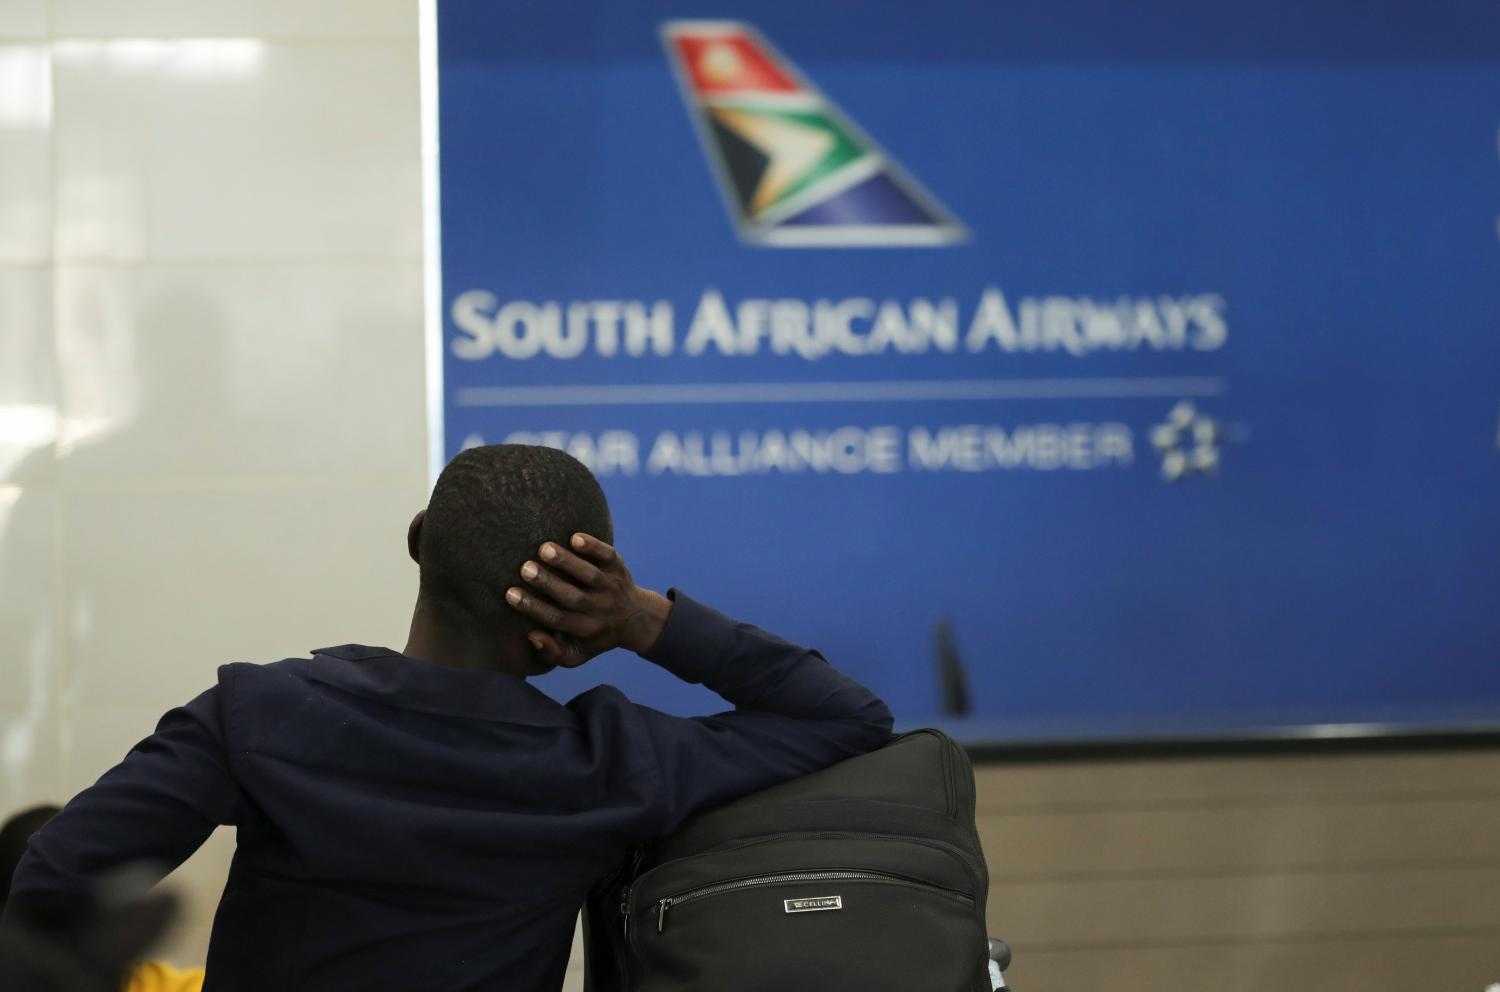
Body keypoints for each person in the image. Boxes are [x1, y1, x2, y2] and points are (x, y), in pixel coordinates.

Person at [3, 444, 893, 991]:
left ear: (418, 541)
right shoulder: (615, 765)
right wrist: (640, 620)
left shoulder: (260, 716)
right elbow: (843, 717)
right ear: (570, 614)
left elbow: (47, 886)